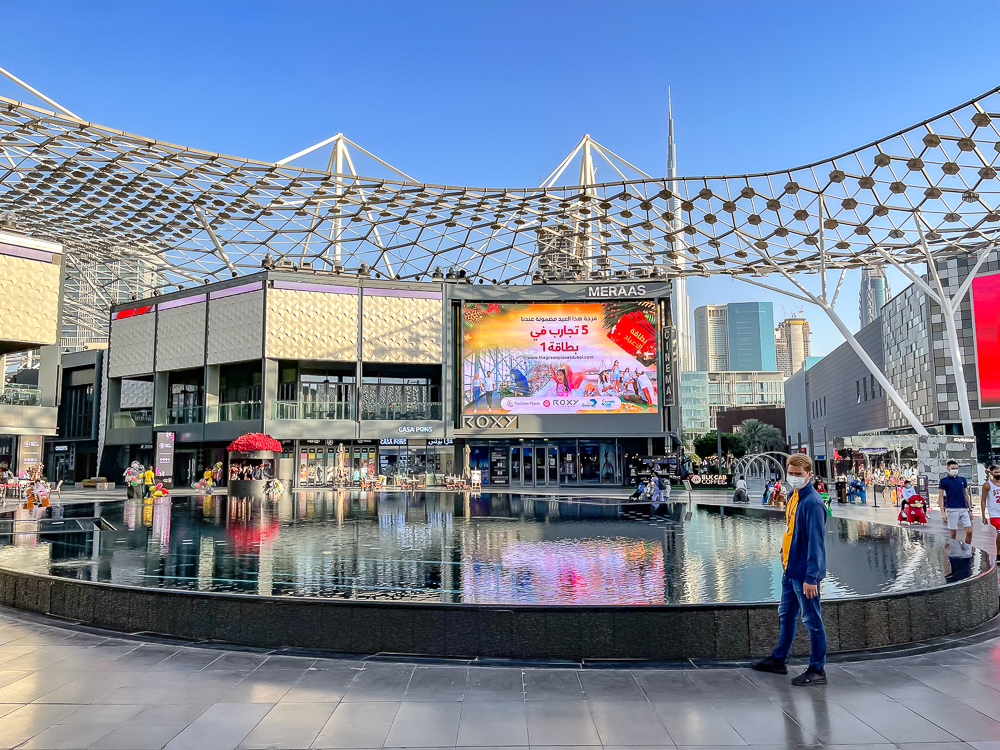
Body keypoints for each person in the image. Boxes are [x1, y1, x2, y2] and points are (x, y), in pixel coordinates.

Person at [751, 454, 828, 685]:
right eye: (791, 473)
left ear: (809, 475)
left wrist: (811, 577)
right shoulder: (794, 496)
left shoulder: (812, 503)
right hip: (790, 568)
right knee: (786, 614)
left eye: (798, 474)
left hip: (804, 573)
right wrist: (783, 552)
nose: (793, 477)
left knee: (812, 620)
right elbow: (791, 530)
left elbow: (816, 543)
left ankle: (817, 669)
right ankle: (779, 659)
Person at [940, 459, 973, 545]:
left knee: (969, 530)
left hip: (963, 508)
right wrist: (943, 512)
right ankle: (953, 548)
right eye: (953, 468)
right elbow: (941, 497)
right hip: (952, 508)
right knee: (953, 532)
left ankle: (967, 547)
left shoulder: (962, 480)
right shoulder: (944, 481)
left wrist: (970, 509)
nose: (955, 470)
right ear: (948, 468)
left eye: (956, 468)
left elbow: (966, 494)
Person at [980, 464, 1000, 559]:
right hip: (994, 514)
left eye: (999, 472)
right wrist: (983, 515)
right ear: (991, 473)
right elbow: (983, 500)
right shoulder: (987, 485)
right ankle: (998, 553)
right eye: (996, 472)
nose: (998, 474)